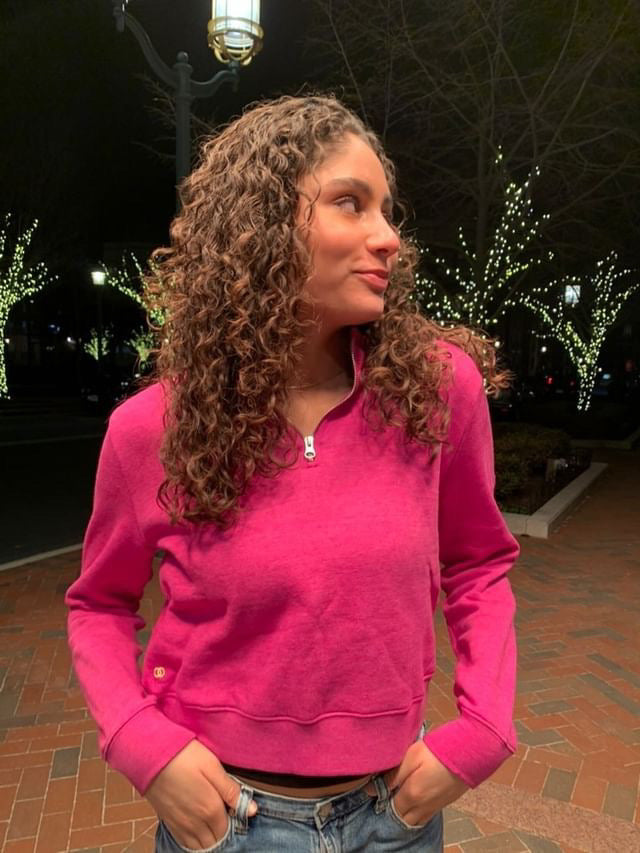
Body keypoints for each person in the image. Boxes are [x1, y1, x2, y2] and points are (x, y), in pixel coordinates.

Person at [65, 93, 520, 853]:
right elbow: (98, 605)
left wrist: (483, 732)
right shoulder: (152, 427)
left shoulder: (438, 392)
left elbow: (479, 564)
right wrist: (143, 746)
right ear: (265, 224)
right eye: (350, 203)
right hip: (225, 823)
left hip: (396, 818)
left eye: (387, 210)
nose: (389, 237)